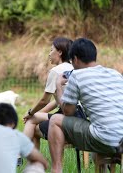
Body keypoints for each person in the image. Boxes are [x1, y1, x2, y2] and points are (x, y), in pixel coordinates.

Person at [48, 38, 123, 172]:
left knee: (55, 120)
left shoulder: (77, 75)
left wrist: (59, 85)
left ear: (75, 59)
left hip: (105, 139)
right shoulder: (116, 74)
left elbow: (67, 112)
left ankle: (56, 169)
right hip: (121, 138)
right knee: (98, 131)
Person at [23, 37, 73, 149]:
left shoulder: (55, 71)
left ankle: (20, 157)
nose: (49, 54)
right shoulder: (75, 69)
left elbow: (44, 100)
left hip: (66, 117)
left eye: (51, 50)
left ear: (60, 52)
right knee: (34, 119)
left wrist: (31, 113)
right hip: (80, 117)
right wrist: (37, 114)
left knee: (31, 122)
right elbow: (56, 102)